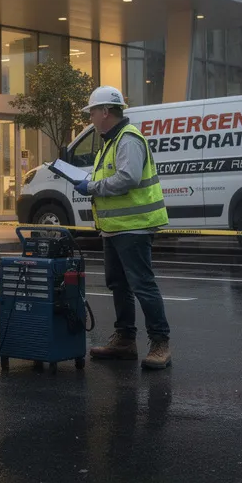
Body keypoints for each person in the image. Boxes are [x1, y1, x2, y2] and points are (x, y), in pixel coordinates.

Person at [73, 85, 172, 370]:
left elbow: (127, 177)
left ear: (105, 111)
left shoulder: (127, 139)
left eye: (92, 111)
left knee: (142, 285)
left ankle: (160, 343)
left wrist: (91, 186)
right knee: (118, 284)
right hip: (115, 228)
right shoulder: (110, 140)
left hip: (134, 227)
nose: (90, 117)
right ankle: (125, 340)